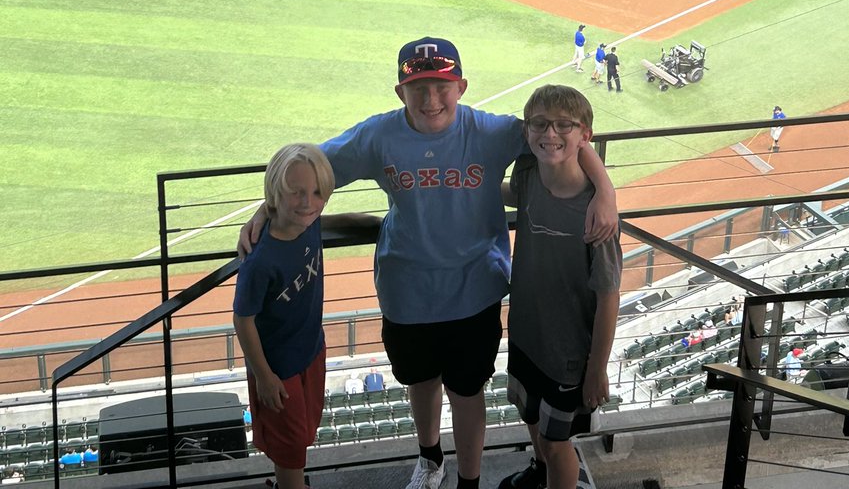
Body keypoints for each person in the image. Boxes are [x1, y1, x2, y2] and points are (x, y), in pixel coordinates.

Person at [239, 38, 617, 489]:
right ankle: (431, 458)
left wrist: (606, 190)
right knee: (419, 383)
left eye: (441, 86)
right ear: (401, 92)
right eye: (418, 87)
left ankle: (469, 482)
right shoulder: (378, 136)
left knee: (467, 392)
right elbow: (309, 167)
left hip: (475, 291)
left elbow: (563, 136)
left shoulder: (492, 132)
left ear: (460, 87)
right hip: (407, 293)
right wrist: (267, 208)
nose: (430, 99)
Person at [500, 85, 621, 489]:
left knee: (558, 445)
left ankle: (554, 472)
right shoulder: (529, 174)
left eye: (563, 125)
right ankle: (540, 471)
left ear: (584, 134)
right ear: (527, 129)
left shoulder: (597, 218)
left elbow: (608, 296)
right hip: (527, 335)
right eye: (539, 124)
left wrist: (597, 369)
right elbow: (509, 192)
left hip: (568, 356)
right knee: (531, 417)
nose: (549, 133)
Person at [233, 144, 373, 489]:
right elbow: (242, 318)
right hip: (279, 369)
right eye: (296, 192)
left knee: (303, 434)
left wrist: (384, 226)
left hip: (311, 350)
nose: (308, 202)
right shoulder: (260, 260)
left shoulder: (308, 224)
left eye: (317, 193)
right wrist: (264, 377)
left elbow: (334, 222)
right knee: (291, 450)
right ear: (275, 193)